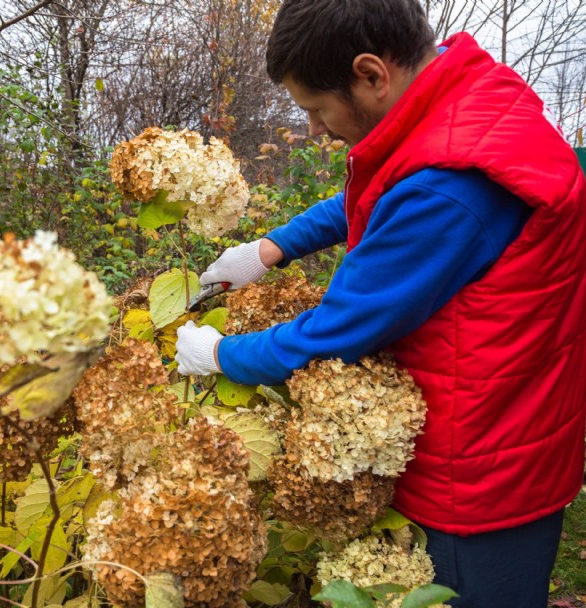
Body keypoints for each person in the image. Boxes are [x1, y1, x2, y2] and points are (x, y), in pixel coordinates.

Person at [174, 1, 586, 606]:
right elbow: (380, 192)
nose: (315, 128)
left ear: (370, 74)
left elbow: (341, 328)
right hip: (511, 428)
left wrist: (221, 354)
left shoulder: (449, 192)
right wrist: (270, 249)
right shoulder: (469, 108)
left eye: (317, 109)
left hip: (474, 481)